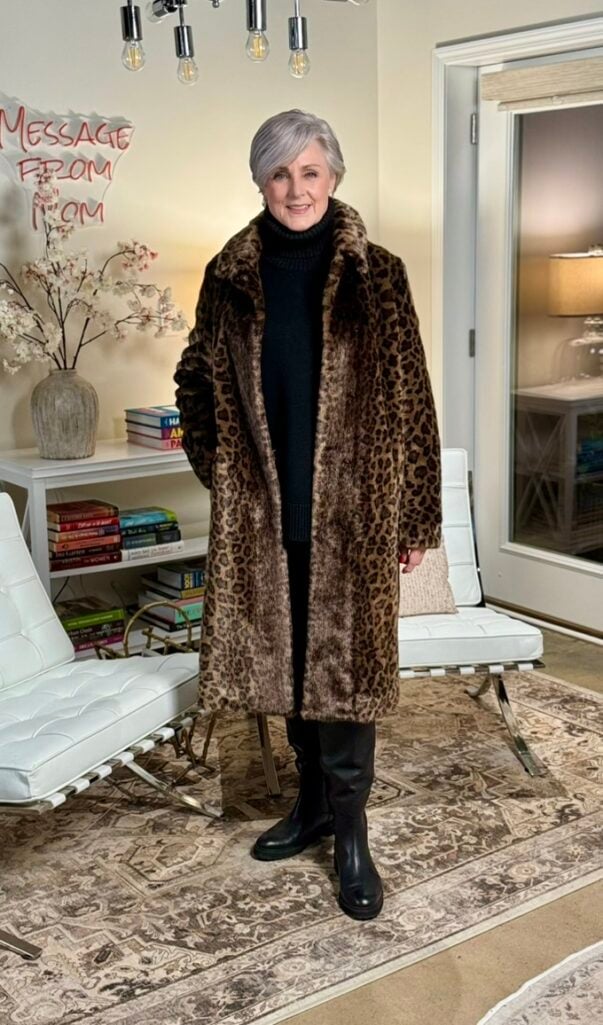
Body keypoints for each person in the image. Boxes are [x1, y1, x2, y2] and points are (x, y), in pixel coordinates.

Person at [174, 109, 442, 921]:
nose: (296, 189)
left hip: (355, 518)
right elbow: (194, 379)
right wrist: (223, 471)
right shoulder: (229, 274)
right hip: (264, 515)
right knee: (287, 669)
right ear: (261, 181)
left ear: (333, 176)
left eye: (310, 171)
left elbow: (412, 398)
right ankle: (311, 805)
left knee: (345, 677)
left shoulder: (377, 274)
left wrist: (414, 516)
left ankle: (351, 833)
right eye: (279, 173)